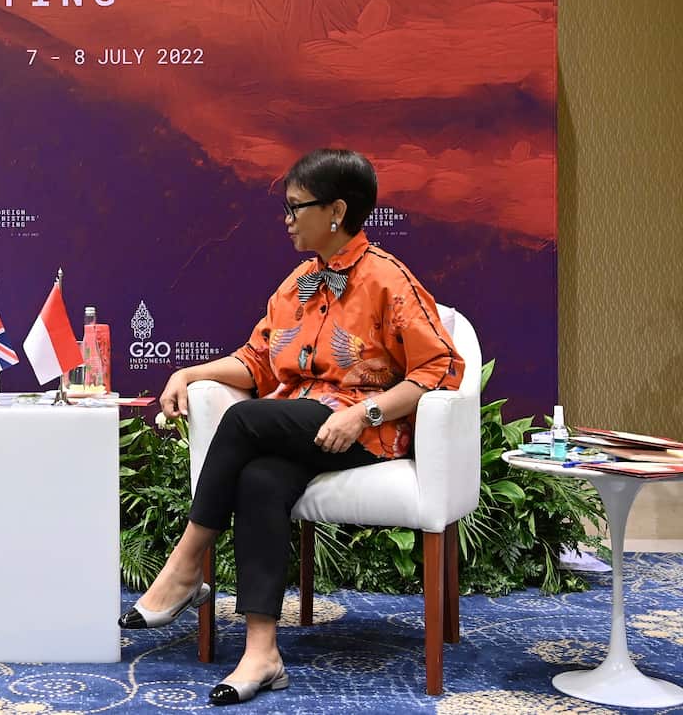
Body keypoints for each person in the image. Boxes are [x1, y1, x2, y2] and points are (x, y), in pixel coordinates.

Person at [119, 149, 463, 706]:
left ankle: (185, 564)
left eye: (296, 207)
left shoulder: (388, 279)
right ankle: (263, 654)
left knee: (242, 419)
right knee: (260, 480)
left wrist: (363, 413)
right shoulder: (298, 283)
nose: (286, 218)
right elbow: (257, 362)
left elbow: (440, 367)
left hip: (363, 432)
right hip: (296, 424)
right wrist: (190, 370)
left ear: (336, 211)